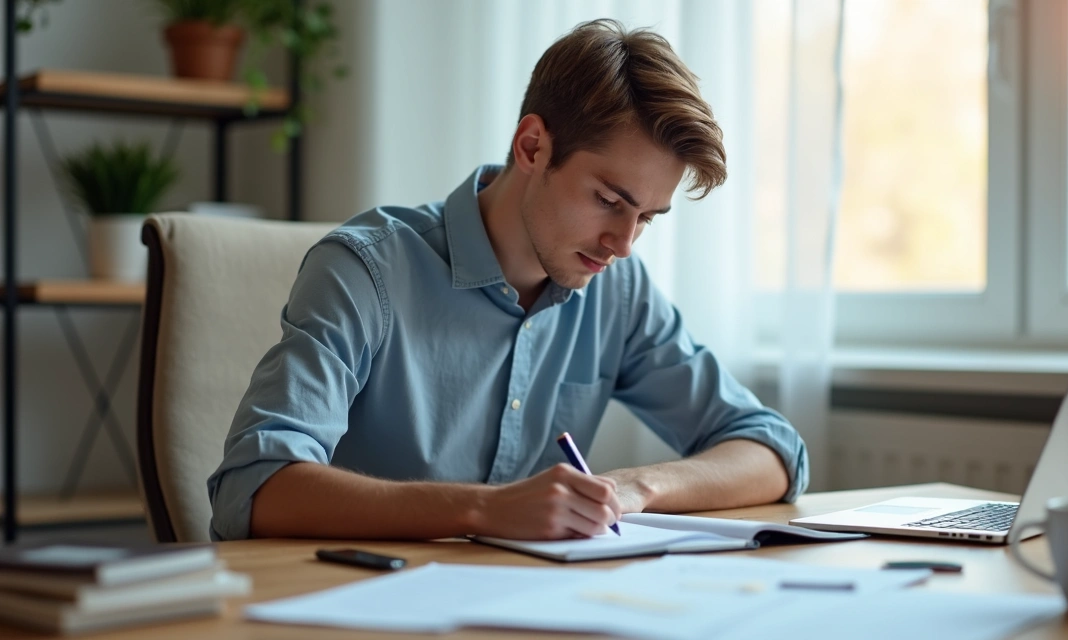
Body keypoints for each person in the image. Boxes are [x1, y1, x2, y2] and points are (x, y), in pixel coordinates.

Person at [207, 18, 808, 542]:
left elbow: (774, 451)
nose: (623, 244)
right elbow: (256, 489)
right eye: (607, 199)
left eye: (646, 218)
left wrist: (634, 488)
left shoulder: (618, 291)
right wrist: (485, 510)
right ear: (532, 145)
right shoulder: (366, 271)